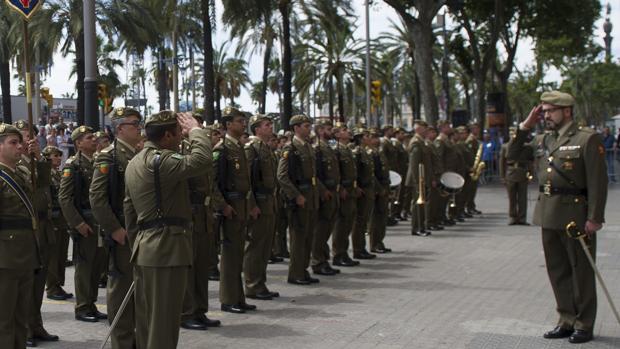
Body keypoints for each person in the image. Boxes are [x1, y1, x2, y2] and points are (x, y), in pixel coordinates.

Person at [508, 91, 607, 344]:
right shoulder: (543, 139)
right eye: (544, 111)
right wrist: (525, 126)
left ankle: (584, 323)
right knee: (557, 270)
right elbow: (512, 154)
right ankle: (566, 319)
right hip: (548, 214)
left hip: (576, 215)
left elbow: (598, 182)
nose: (546, 115)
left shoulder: (586, 138)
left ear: (567, 111)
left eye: (551, 110)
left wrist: (595, 217)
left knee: (580, 271)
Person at [124, 111, 210, 349]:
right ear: (168, 135)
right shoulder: (161, 160)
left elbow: (129, 212)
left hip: (146, 248)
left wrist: (138, 247)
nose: (181, 137)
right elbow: (203, 160)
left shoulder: (135, 162)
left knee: (147, 322)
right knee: (164, 322)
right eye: (179, 133)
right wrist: (195, 130)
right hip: (166, 249)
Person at [89, 107, 143, 348]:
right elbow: (97, 198)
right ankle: (122, 341)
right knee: (121, 290)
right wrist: (114, 229)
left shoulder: (139, 154)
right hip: (123, 233)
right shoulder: (109, 156)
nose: (139, 127)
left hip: (140, 231)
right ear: (120, 128)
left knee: (140, 290)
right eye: (134, 123)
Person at [13, 121, 59, 347]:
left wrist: (39, 158)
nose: (27, 140)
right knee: (27, 283)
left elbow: (46, 184)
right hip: (26, 228)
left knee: (39, 281)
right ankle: (26, 329)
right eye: (22, 136)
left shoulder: (35, 161)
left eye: (30, 135)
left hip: (43, 225)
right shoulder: (14, 164)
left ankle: (36, 323)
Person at [59, 126, 108, 323]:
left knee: (97, 265)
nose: (94, 140)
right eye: (89, 138)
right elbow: (64, 198)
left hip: (98, 221)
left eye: (94, 137)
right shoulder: (74, 165)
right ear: (78, 143)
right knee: (85, 266)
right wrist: (77, 223)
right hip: (85, 221)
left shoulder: (98, 161)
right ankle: (82, 306)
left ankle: (91, 303)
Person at [212, 107, 257, 313]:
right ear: (228, 124)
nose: (243, 124)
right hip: (231, 207)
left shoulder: (239, 147)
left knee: (237, 254)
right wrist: (223, 206)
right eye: (239, 121)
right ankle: (228, 299)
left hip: (241, 206)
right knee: (230, 256)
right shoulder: (222, 149)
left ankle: (238, 297)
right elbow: (213, 183)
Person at [0, 123, 42, 349]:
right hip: (5, 257)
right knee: (3, 319)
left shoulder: (22, 172)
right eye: (13, 143)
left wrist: (39, 158)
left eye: (20, 142)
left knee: (20, 318)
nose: (20, 146)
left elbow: (43, 190)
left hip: (25, 255)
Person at [277, 114, 320, 285]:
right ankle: (295, 273)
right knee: (298, 237)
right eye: (305, 126)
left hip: (310, 196)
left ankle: (303, 269)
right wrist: (296, 196)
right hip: (300, 198)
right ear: (296, 128)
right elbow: (282, 176)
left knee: (308, 236)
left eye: (309, 126)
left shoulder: (307, 146)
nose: (309, 129)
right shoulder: (290, 148)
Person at [243, 114, 281, 299]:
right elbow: (246, 180)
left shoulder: (266, 148)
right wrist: (252, 205)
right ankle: (251, 285)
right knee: (255, 246)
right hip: (258, 203)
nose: (270, 127)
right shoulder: (251, 148)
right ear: (257, 129)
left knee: (265, 247)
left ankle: (260, 283)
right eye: (267, 125)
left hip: (269, 202)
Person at [311, 119, 341, 275]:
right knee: (320, 230)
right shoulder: (317, 149)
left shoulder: (329, 148)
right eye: (329, 129)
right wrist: (322, 191)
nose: (332, 132)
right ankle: (317, 261)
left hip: (333, 193)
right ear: (320, 130)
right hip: (325, 194)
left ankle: (324, 260)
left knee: (327, 228)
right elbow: (314, 175)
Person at [43, 146, 73, 302]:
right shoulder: (46, 174)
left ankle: (58, 285)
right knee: (53, 256)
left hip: (62, 218)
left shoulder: (59, 174)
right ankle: (52, 287)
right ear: (47, 157)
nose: (58, 159)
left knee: (61, 254)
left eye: (59, 156)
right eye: (55, 156)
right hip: (53, 218)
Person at [331, 123, 360, 267]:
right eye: (344, 130)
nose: (348, 131)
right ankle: (337, 254)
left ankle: (344, 253)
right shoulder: (336, 150)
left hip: (351, 190)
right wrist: (340, 188)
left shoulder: (347, 149)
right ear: (337, 135)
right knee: (341, 224)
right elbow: (336, 172)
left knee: (348, 223)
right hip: (343, 192)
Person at [350, 127, 376, 260]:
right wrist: (357, 187)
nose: (369, 138)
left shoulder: (365, 152)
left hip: (367, 189)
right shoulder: (357, 152)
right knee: (359, 221)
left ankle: (362, 248)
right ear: (360, 138)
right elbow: (355, 173)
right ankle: (357, 249)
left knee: (363, 220)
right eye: (366, 136)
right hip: (362, 190)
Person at [499, 127, 533, 225]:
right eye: (511, 133)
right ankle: (513, 217)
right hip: (510, 172)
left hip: (522, 172)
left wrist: (530, 174)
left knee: (523, 197)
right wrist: (502, 177)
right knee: (512, 197)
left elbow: (530, 162)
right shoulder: (505, 146)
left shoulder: (526, 146)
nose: (513, 135)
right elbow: (502, 162)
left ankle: (522, 218)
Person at [406, 120, 431, 236]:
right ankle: (416, 228)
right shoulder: (416, 142)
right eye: (424, 128)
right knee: (417, 204)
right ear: (418, 129)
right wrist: (418, 182)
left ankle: (421, 227)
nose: (426, 131)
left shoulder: (421, 142)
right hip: (417, 178)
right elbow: (415, 164)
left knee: (421, 204)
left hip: (421, 177)